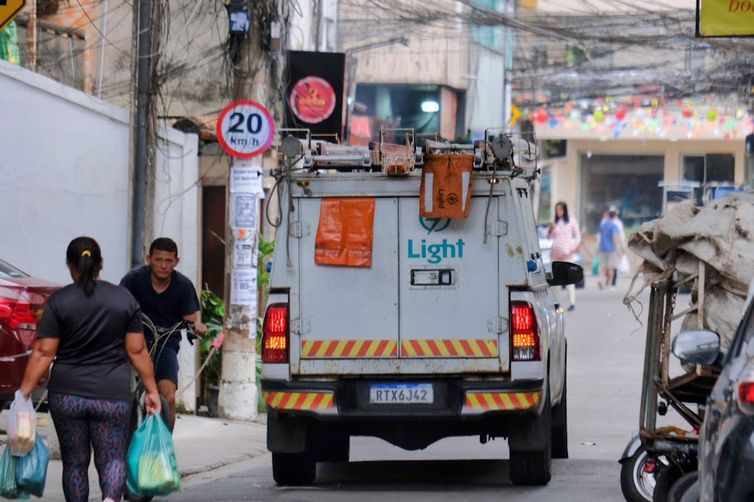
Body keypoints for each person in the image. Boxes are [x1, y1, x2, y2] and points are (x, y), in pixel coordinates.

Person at [19, 236, 161, 502]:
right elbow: (137, 350)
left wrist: (24, 393)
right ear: (101, 264)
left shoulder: (59, 301)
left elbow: (44, 351)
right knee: (112, 460)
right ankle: (110, 500)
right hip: (111, 395)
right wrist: (151, 390)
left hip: (67, 395)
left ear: (69, 265)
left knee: (74, 463)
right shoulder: (123, 298)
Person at [120, 237, 207, 424]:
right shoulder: (133, 279)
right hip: (135, 338)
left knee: (168, 394)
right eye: (158, 260)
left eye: (169, 261)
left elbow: (192, 320)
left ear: (176, 261)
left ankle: (165, 443)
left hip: (166, 341)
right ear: (149, 259)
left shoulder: (183, 286)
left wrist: (197, 327)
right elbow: (119, 307)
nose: (164, 265)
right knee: (118, 388)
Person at [549, 201, 582, 311]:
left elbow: (578, 237)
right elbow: (551, 236)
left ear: (565, 210)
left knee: (569, 280)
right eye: (557, 210)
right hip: (555, 253)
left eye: (561, 209)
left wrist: (571, 248)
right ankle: (556, 303)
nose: (559, 212)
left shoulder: (571, 221)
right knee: (556, 280)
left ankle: (572, 303)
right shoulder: (556, 222)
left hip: (567, 254)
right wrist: (551, 229)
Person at [598, 209, 623, 290]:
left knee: (603, 267)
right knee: (611, 268)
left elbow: (600, 236)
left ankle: (601, 281)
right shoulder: (614, 226)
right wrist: (618, 248)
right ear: (615, 216)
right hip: (611, 249)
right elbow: (614, 237)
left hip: (602, 248)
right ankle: (609, 285)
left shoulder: (603, 224)